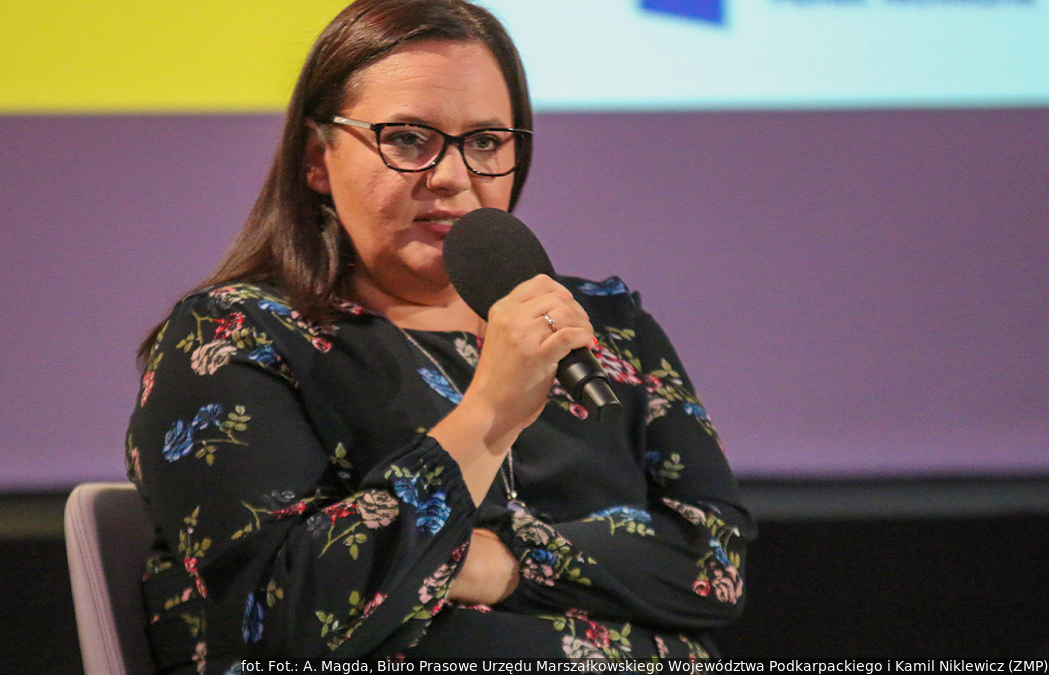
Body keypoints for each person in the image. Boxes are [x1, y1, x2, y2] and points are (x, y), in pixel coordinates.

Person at [126, 0, 754, 669]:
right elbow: (283, 611)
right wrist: (489, 412)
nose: (451, 177)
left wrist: (500, 564)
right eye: (406, 139)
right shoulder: (236, 336)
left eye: (485, 142)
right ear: (317, 159)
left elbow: (714, 563)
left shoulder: (600, 324)